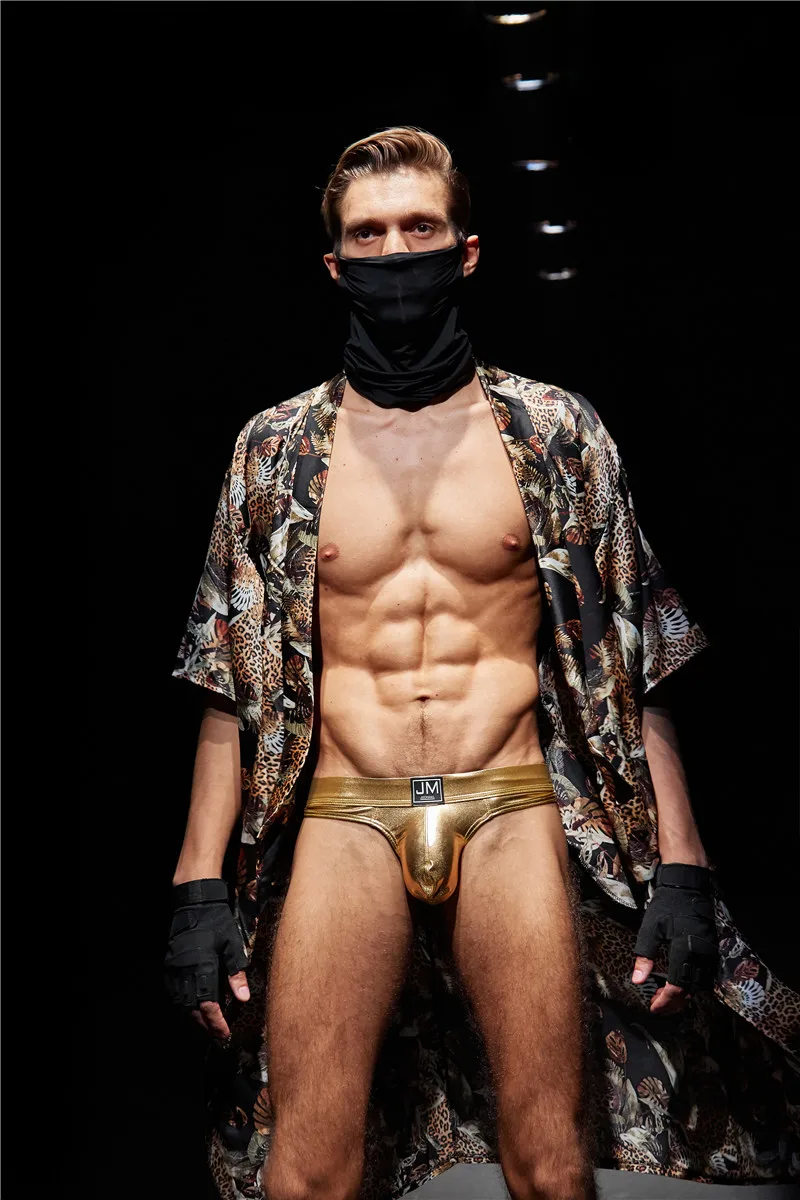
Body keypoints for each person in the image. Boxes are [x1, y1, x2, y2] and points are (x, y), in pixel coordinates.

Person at [164, 128, 799, 1200]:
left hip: (508, 802)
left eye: (418, 227)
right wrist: (196, 885)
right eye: (368, 234)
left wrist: (683, 865)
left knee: (549, 1165)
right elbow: (227, 680)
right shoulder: (275, 450)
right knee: (306, 1173)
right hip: (347, 810)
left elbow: (632, 659)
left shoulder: (553, 433)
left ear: (465, 251)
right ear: (334, 265)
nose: (393, 251)